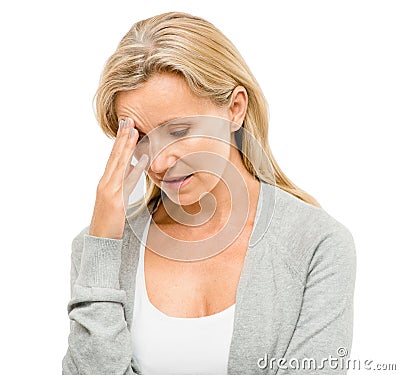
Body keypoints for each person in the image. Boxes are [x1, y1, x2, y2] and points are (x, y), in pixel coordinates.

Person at [62, 11, 357, 375]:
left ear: (234, 109)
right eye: (139, 137)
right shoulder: (100, 251)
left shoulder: (317, 246)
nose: (157, 163)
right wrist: (103, 243)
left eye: (179, 130)